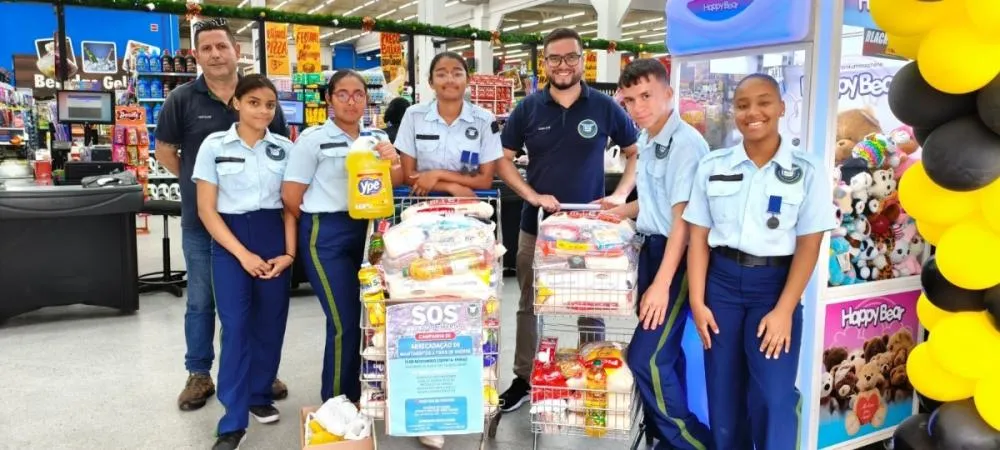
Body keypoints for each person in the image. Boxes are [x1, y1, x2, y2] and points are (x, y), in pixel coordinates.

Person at [682, 73, 835, 450]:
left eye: (764, 102)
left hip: (774, 288)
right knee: (723, 392)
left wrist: (784, 310)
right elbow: (698, 238)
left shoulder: (808, 171)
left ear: (782, 108)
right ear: (734, 112)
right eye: (742, 104)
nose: (753, 112)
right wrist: (698, 302)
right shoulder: (713, 165)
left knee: (774, 395)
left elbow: (809, 246)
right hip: (720, 284)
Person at [494, 28, 640, 412]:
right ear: (544, 63)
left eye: (570, 57)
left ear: (582, 59)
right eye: (555, 58)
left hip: (592, 229)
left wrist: (621, 194)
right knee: (530, 302)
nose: (563, 65)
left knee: (594, 303)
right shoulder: (528, 108)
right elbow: (503, 160)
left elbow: (635, 153)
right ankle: (524, 378)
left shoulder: (605, 107)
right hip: (537, 225)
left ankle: (594, 372)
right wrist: (531, 195)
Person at [155, 17, 289, 410]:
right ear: (196, 55)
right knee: (201, 299)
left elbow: (277, 147)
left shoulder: (260, 96)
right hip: (204, 221)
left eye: (222, 46)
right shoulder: (181, 99)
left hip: (258, 224)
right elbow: (165, 150)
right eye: (206, 48)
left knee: (255, 299)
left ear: (236, 51)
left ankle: (255, 371)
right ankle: (199, 374)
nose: (215, 54)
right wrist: (204, 185)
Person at [391, 51, 503, 450]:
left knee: (466, 305)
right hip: (419, 223)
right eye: (442, 73)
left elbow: (486, 176)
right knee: (423, 304)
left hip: (470, 224)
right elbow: (407, 175)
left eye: (457, 72)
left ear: (467, 79)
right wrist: (454, 186)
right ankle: (425, 406)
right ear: (431, 80)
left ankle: (464, 393)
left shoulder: (483, 120)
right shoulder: (414, 117)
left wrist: (438, 175)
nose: (450, 79)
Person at [281, 70, 403, 406]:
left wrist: (392, 160)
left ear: (367, 98)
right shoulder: (312, 139)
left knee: (371, 317)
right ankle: (337, 401)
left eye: (358, 94)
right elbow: (292, 195)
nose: (352, 101)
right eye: (343, 94)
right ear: (329, 99)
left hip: (370, 233)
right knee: (344, 321)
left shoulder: (377, 137)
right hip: (327, 234)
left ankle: (366, 390)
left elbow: (399, 179)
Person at [609, 59, 712, 450]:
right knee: (666, 357)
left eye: (647, 95)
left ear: (669, 93)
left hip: (680, 260)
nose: (638, 106)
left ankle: (690, 443)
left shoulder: (684, 144)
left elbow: (683, 223)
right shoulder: (650, 138)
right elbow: (657, 202)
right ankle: (662, 439)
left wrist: (663, 285)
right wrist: (622, 210)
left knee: (645, 358)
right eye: (630, 99)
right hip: (653, 251)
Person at [190, 75, 295, 450]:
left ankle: (259, 395)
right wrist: (242, 254)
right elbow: (206, 209)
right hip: (230, 242)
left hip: (273, 238)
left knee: (270, 324)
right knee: (235, 327)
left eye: (270, 104)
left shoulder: (285, 148)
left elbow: (290, 208)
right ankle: (233, 419)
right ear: (237, 103)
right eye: (254, 102)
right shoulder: (214, 146)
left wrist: (288, 254)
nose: (263, 110)